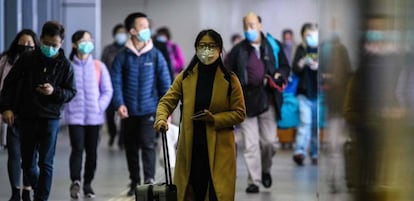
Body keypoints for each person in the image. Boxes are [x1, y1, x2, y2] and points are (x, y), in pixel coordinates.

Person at [154, 29, 246, 201]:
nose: (207, 51)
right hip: (191, 146)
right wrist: (161, 118)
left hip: (220, 149)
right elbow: (166, 102)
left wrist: (215, 119)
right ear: (196, 49)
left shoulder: (230, 79)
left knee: (216, 193)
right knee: (191, 191)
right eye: (202, 46)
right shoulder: (185, 77)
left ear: (220, 50)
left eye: (212, 46)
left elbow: (240, 113)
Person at [0, 21, 76, 201]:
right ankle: (38, 188)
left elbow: (71, 92)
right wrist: (6, 108)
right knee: (27, 164)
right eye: (47, 44)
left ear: (61, 43)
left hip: (50, 118)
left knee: (46, 162)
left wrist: (54, 92)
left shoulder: (65, 65)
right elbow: (8, 83)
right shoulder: (27, 59)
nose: (50, 48)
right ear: (41, 39)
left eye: (55, 45)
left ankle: (41, 198)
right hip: (26, 116)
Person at [225, 12, 290, 193]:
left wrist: (279, 75)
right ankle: (254, 181)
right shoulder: (238, 50)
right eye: (246, 26)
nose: (249, 29)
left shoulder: (273, 46)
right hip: (246, 103)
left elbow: (286, 66)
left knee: (269, 143)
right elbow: (226, 73)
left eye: (252, 25)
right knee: (251, 145)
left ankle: (265, 170)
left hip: (268, 101)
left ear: (260, 25)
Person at [111, 12, 171, 196]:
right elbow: (116, 82)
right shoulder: (122, 56)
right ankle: (134, 180)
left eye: (147, 26)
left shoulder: (155, 55)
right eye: (143, 27)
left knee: (147, 144)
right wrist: (119, 103)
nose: (147, 30)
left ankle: (149, 180)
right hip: (127, 111)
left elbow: (165, 83)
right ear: (132, 31)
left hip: (149, 109)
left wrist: (166, 109)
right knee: (130, 147)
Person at [65, 30, 113, 199]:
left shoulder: (99, 66)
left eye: (89, 40)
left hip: (94, 117)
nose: (87, 43)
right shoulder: (67, 66)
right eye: (83, 40)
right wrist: (68, 107)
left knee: (92, 152)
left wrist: (99, 107)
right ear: (74, 44)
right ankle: (76, 181)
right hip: (75, 117)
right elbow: (63, 91)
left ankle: (88, 184)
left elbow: (108, 90)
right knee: (77, 149)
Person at [0, 29, 39, 201]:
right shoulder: (6, 60)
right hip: (13, 116)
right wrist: (5, 108)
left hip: (33, 116)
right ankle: (15, 190)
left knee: (31, 156)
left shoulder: (39, 61)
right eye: (22, 43)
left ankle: (27, 189)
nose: (26, 46)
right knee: (14, 154)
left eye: (30, 44)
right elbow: (3, 88)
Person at [292, 23, 319, 166]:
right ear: (303, 36)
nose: (311, 38)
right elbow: (294, 69)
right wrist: (302, 63)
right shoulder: (301, 49)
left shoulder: (322, 49)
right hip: (304, 92)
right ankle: (299, 151)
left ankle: (315, 153)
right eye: (308, 35)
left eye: (313, 34)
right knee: (305, 122)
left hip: (318, 92)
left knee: (315, 125)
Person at [101, 23, 128, 148]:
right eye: (119, 32)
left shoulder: (128, 49)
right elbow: (103, 67)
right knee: (110, 114)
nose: (121, 35)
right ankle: (112, 134)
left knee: (124, 114)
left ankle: (122, 139)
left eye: (123, 32)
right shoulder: (108, 50)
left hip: (125, 87)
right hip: (109, 86)